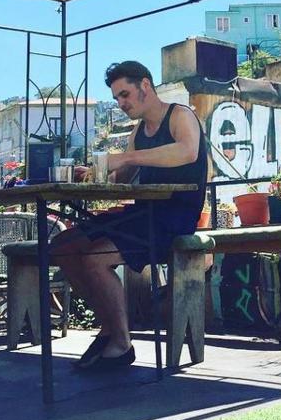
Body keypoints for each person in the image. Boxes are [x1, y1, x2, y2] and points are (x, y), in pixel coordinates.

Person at [52, 60, 207, 371]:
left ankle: (121, 343)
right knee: (62, 246)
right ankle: (109, 327)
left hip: (173, 218)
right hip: (142, 213)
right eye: (117, 98)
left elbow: (188, 151)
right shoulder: (139, 131)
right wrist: (96, 173)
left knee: (96, 257)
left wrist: (124, 157)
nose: (121, 103)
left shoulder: (180, 115)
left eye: (125, 95)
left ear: (145, 86)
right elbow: (122, 180)